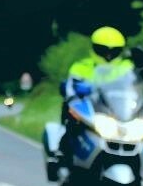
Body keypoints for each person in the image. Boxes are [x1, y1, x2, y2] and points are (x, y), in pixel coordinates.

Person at [57, 26, 134, 165]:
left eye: (113, 51)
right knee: (72, 119)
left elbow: (136, 87)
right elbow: (70, 91)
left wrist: (142, 66)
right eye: (103, 50)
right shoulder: (81, 66)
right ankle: (64, 156)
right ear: (94, 48)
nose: (108, 56)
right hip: (90, 109)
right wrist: (75, 99)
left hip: (116, 111)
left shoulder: (127, 67)